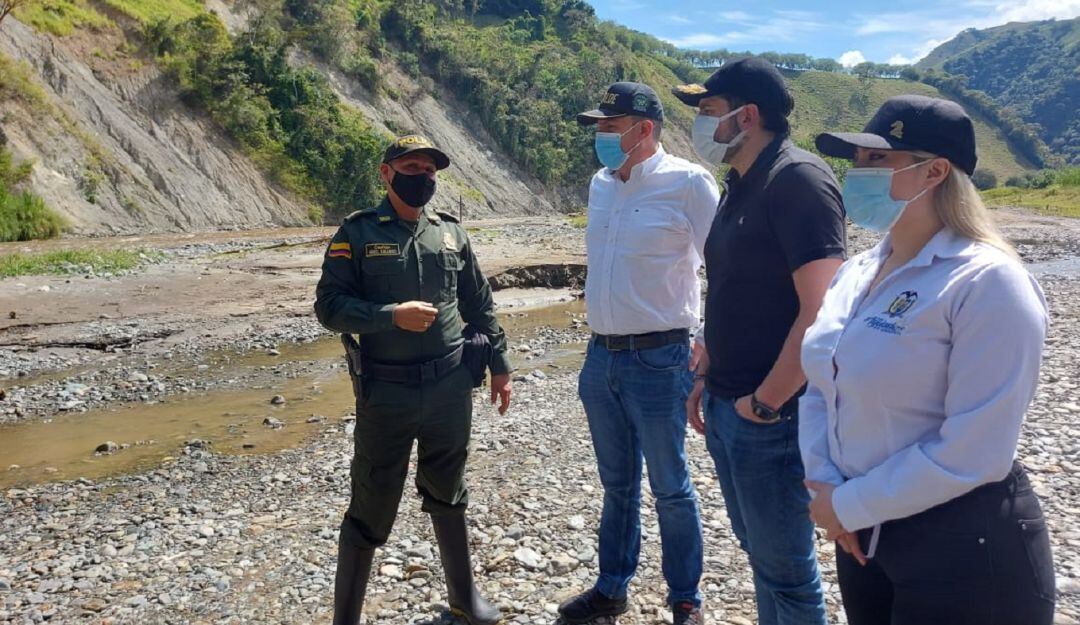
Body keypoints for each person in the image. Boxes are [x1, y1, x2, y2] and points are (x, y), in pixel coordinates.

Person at [801, 94, 1055, 625]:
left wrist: (847, 505)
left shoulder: (988, 282)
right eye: (857, 160)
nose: (857, 173)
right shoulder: (859, 272)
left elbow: (977, 449)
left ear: (934, 171)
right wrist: (825, 484)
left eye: (877, 160)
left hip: (964, 541)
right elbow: (822, 384)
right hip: (864, 534)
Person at [314, 134, 513, 625]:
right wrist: (388, 316)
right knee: (373, 499)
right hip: (387, 392)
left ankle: (465, 600)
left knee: (449, 486)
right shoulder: (356, 234)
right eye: (411, 166)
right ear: (387, 173)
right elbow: (329, 307)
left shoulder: (450, 233)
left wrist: (501, 363)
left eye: (429, 169)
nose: (422, 175)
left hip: (450, 386)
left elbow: (478, 303)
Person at [676, 58, 846, 625]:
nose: (701, 124)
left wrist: (765, 403)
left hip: (773, 418)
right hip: (733, 404)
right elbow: (731, 290)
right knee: (762, 559)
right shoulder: (741, 182)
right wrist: (709, 377)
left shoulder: (797, 179)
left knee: (789, 575)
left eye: (708, 111)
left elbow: (820, 309)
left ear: (747, 116)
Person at [558, 82, 720, 625]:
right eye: (600, 126)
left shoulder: (689, 183)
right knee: (616, 483)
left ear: (643, 129)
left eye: (609, 125)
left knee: (671, 486)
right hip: (600, 356)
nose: (600, 136)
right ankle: (611, 588)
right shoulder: (600, 184)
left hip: (661, 358)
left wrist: (709, 345)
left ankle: (685, 598)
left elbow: (724, 267)